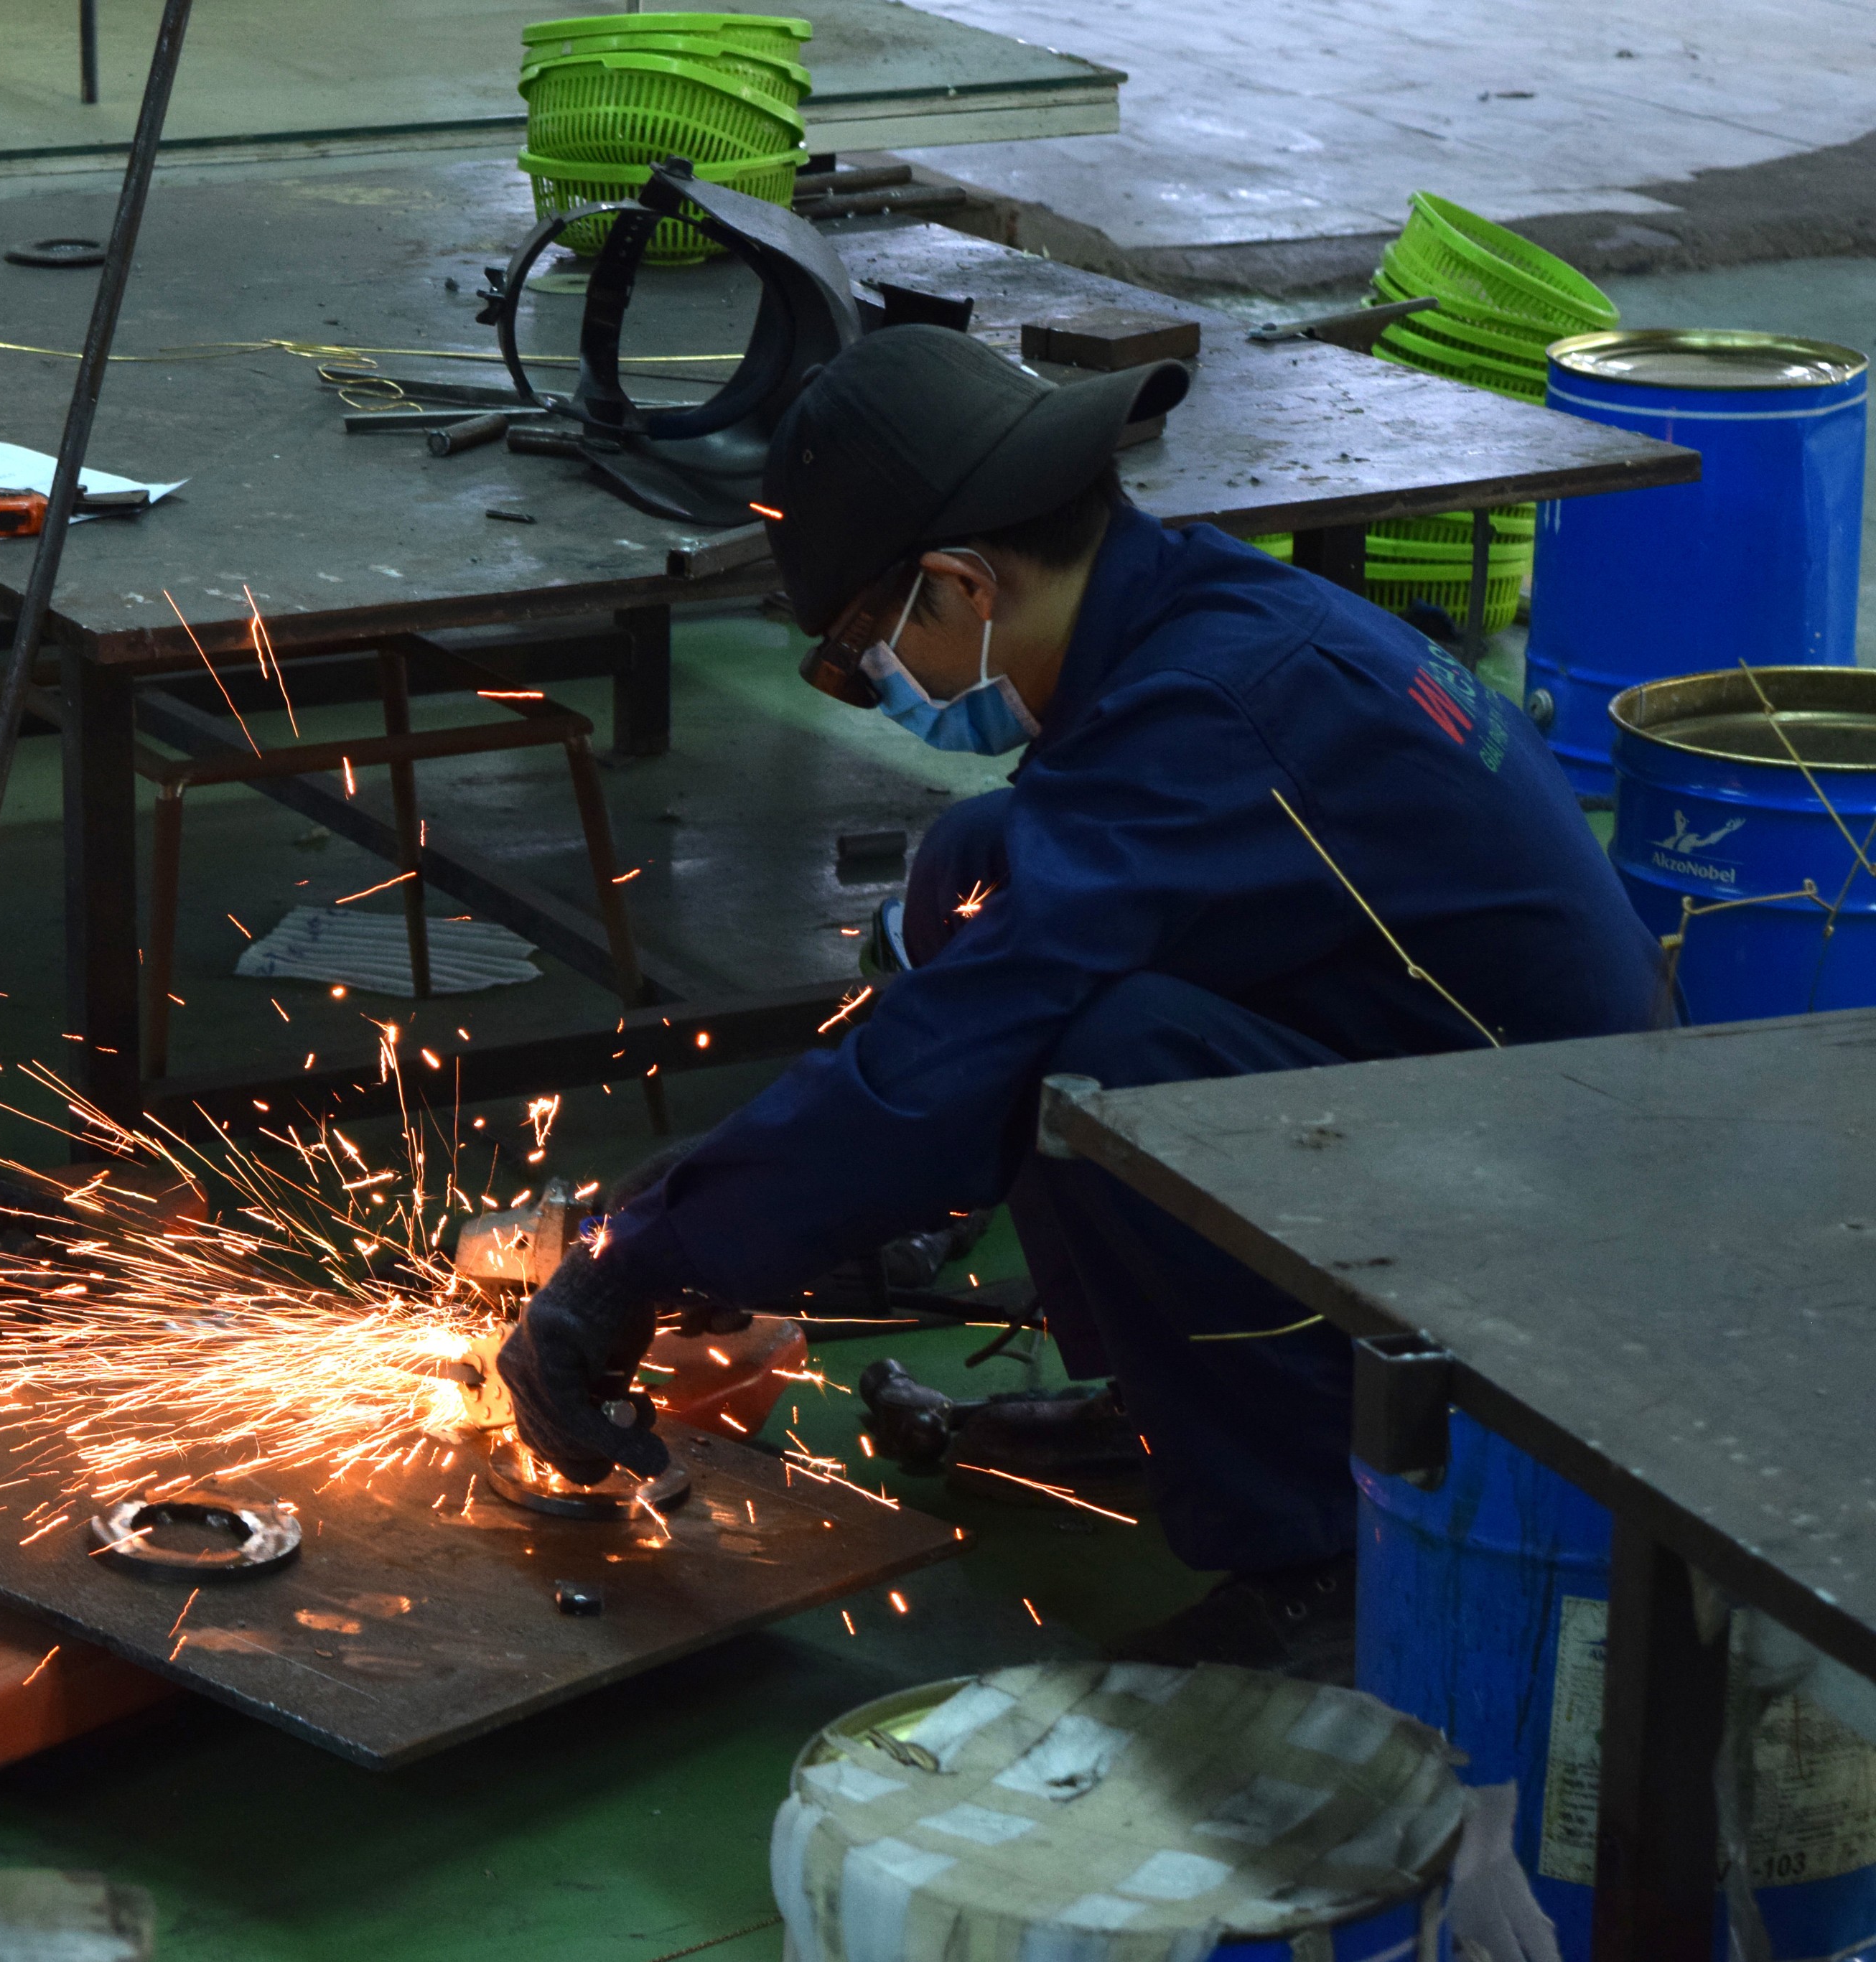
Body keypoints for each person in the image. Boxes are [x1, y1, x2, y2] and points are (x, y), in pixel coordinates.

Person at [495, 324, 1668, 1679]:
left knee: (1089, 1062)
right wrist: (724, 1199)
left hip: (1560, 1241)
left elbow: (960, 1045)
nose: (871, 693)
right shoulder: (1192, 621)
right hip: (1472, 1098)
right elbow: (983, 977)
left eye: (855, 655)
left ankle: (1325, 1564)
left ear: (957, 586)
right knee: (974, 866)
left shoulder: (1210, 717)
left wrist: (640, 1259)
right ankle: (1174, 1402)